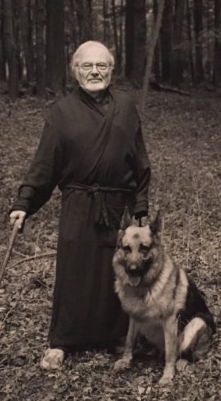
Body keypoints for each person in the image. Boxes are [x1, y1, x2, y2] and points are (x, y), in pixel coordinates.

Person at [9, 40, 151, 370]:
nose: (94, 71)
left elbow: (140, 161)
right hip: (77, 201)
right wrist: (24, 203)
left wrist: (140, 205)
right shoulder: (61, 111)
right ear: (75, 71)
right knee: (74, 270)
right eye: (87, 66)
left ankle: (115, 335)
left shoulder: (127, 107)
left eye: (101, 66)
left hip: (117, 204)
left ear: (112, 70)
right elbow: (44, 165)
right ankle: (62, 341)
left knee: (116, 270)